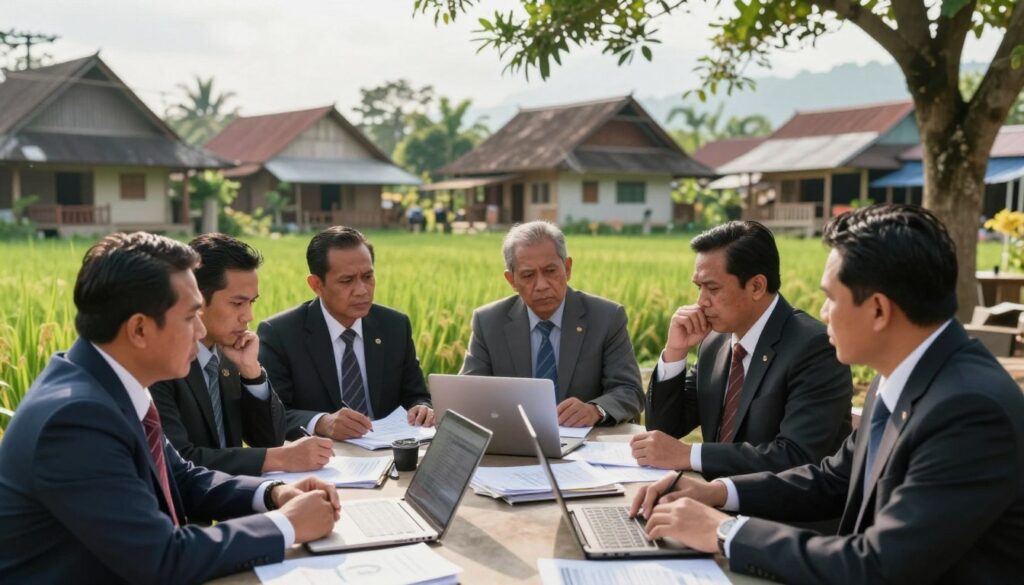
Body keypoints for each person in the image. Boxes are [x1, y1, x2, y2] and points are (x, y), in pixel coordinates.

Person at [631, 205, 1024, 584]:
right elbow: (833, 478)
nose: (822, 311)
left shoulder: (969, 411)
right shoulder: (902, 379)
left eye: (831, 298)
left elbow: (879, 567)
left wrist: (725, 533)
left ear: (878, 311)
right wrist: (716, 492)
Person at [0, 232, 340, 583]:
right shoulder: (74, 420)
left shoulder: (109, 383)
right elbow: (160, 559)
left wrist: (273, 494)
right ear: (139, 329)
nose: (201, 330)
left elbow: (183, 477)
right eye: (191, 316)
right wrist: (285, 524)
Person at [631, 221, 852, 478]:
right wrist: (675, 352)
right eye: (698, 287)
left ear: (757, 286)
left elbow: (796, 456)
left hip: (778, 514)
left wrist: (689, 454)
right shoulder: (716, 342)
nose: (701, 302)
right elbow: (663, 430)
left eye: (713, 288)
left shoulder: (814, 348)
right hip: (710, 502)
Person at [151, 234, 334, 476]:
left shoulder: (229, 353)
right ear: (196, 299)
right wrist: (281, 458)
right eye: (237, 304)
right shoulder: (162, 365)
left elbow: (270, 438)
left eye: (252, 303)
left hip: (233, 500)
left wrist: (252, 373)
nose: (248, 316)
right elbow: (181, 460)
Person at [460, 221, 644, 426]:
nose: (541, 285)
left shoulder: (606, 317)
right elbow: (468, 394)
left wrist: (595, 410)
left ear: (567, 268)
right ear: (511, 280)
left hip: (588, 443)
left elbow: (630, 391)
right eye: (528, 275)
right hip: (517, 442)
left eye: (550, 271)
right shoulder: (489, 322)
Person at [258, 226, 433, 440]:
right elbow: (272, 415)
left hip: (388, 452)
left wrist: (422, 408)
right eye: (347, 281)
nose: (362, 290)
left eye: (368, 276)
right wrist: (321, 422)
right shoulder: (280, 333)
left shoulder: (394, 326)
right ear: (316, 285)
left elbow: (416, 395)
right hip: (324, 460)